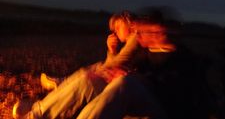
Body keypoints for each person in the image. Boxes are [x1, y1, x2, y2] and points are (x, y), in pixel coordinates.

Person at [22, 11, 174, 119]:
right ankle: (40, 109)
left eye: (117, 28)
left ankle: (42, 108)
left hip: (143, 96)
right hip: (134, 89)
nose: (114, 33)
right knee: (92, 74)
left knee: (93, 78)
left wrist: (112, 51)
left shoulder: (138, 39)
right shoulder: (143, 43)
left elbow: (121, 64)